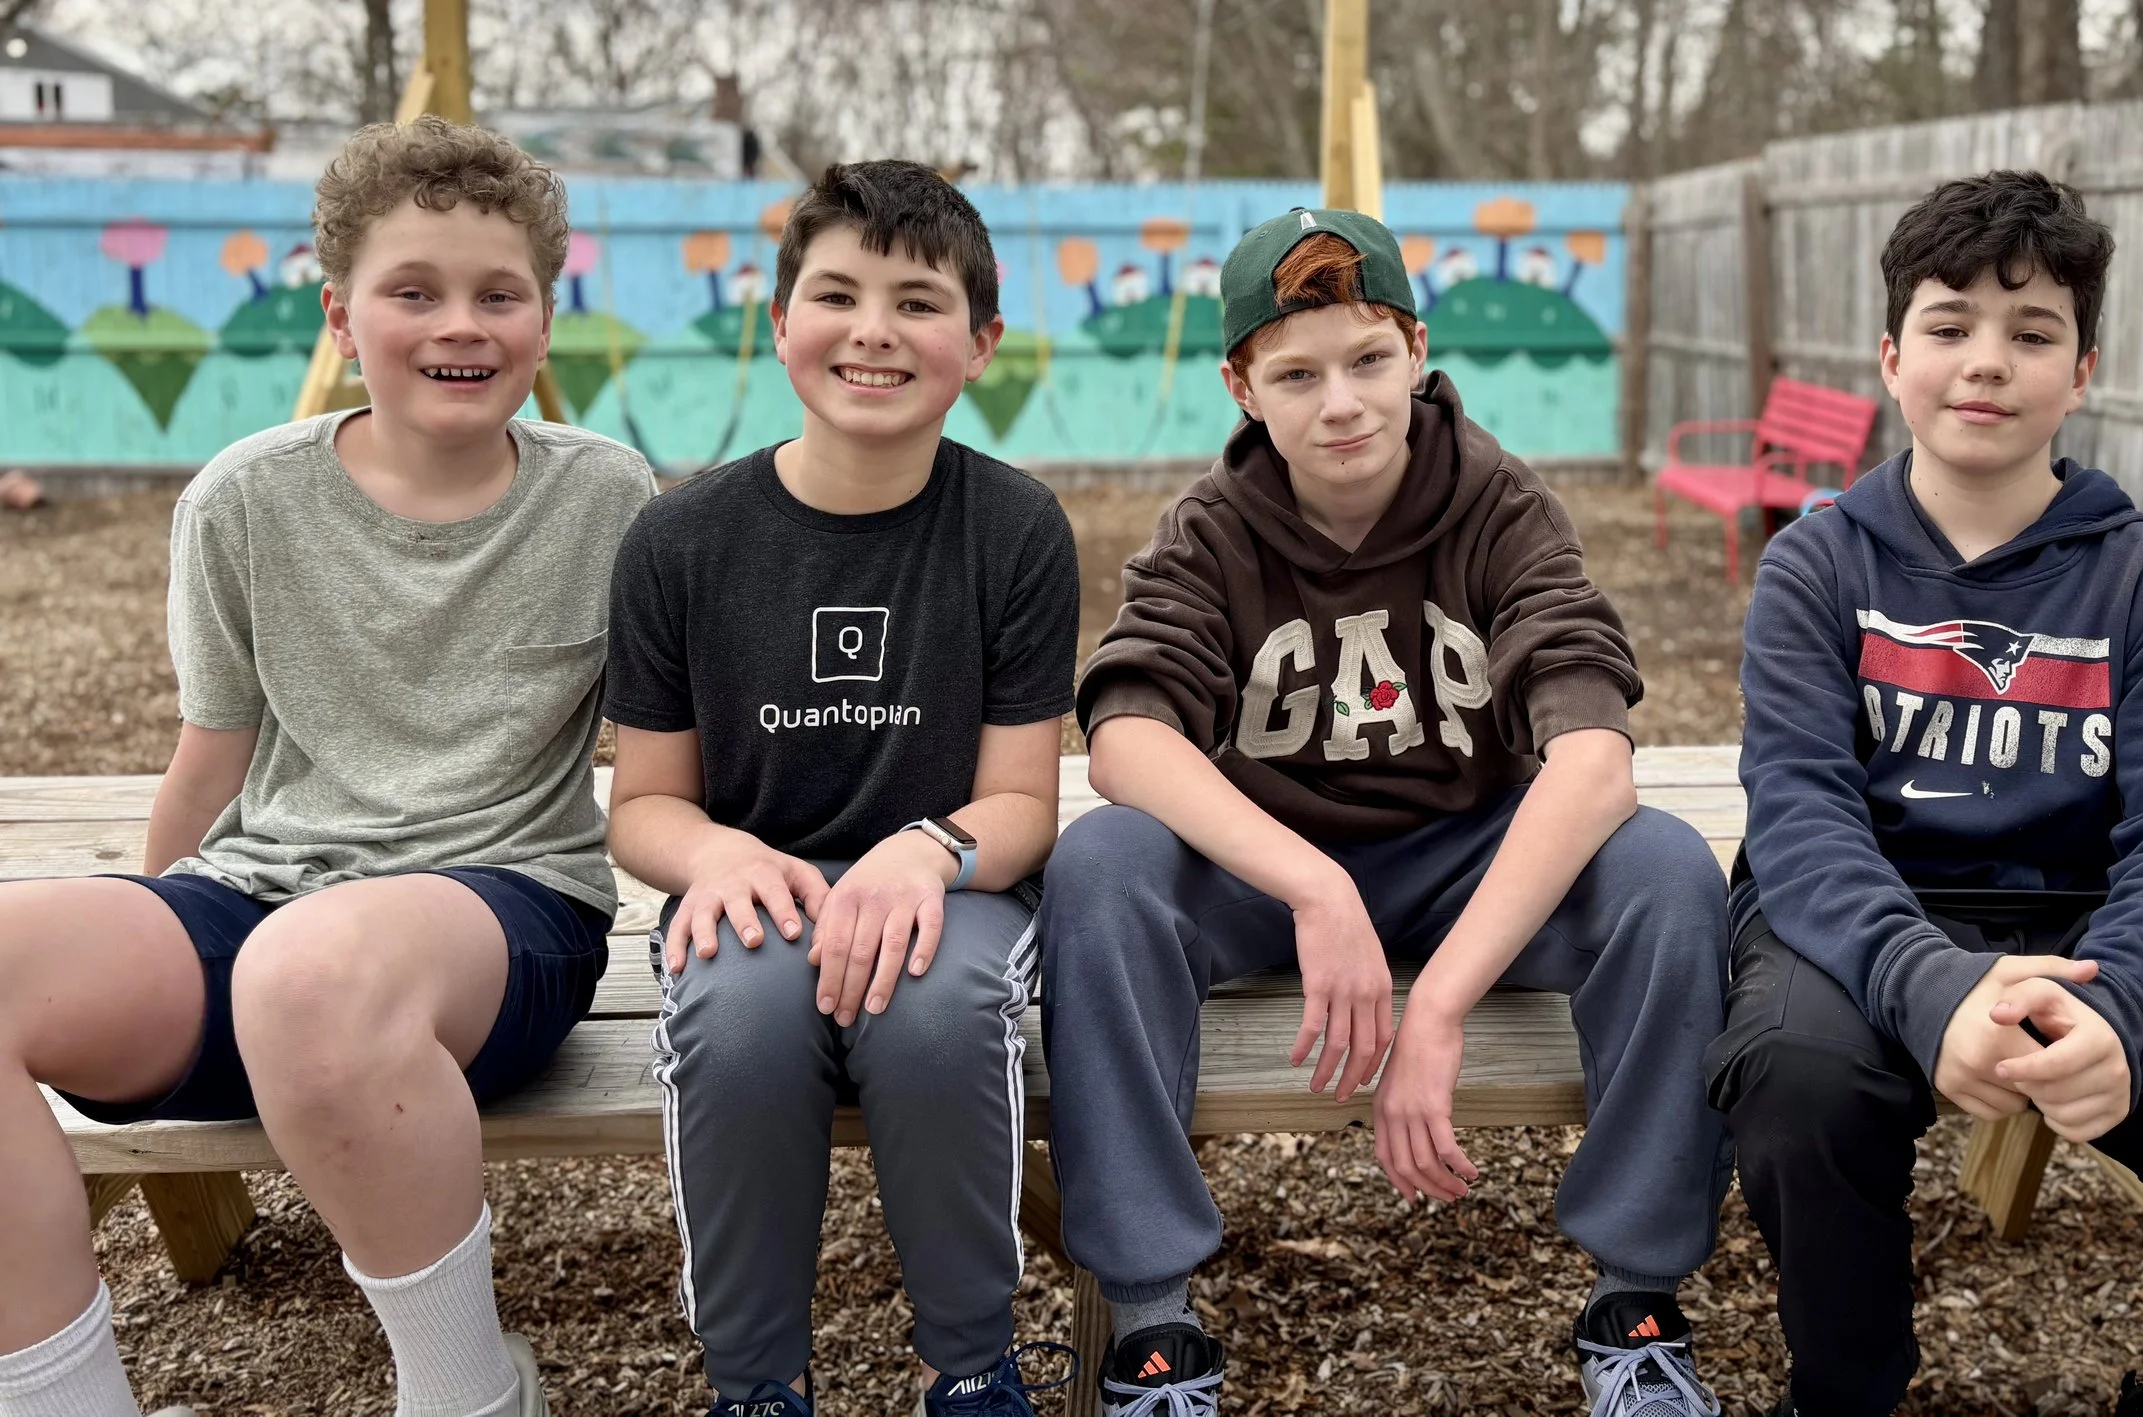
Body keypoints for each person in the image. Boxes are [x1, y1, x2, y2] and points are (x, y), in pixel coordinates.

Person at [0, 115, 652, 1417]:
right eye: (413, 290)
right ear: (340, 312)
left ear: (544, 313)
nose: (459, 324)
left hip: (504, 913)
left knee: (313, 970)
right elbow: (211, 756)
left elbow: (671, 758)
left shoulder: (612, 499)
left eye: (497, 293)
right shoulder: (243, 500)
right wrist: (158, 937)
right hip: (266, 895)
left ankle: (470, 1393)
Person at [1711, 170, 2143, 1417]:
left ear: (2080, 372)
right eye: (1949, 326)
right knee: (1796, 1074)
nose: (1986, 363)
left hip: (2092, 925)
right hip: (1875, 920)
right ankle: (1846, 1389)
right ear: (1889, 357)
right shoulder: (1817, 564)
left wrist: (2131, 1007)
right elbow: (1801, 821)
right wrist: (1928, 984)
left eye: (2031, 335)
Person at [1039, 208, 1733, 1417]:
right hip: (1275, 866)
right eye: (1296, 374)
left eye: (1367, 360)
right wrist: (1314, 883)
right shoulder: (1212, 531)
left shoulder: (1500, 507)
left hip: (1471, 851)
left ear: (1417, 350)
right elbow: (1126, 736)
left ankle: (1637, 1301)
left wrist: (1442, 1003)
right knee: (1102, 867)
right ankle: (1152, 1327)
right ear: (1242, 387)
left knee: (1669, 870)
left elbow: (1595, 761)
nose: (1341, 402)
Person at [601, 160, 1080, 1417]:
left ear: (979, 344)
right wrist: (711, 856)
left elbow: (1023, 801)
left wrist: (926, 851)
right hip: (756, 885)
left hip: (951, 883)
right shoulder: (679, 541)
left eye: (917, 302)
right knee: (744, 1023)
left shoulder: (1016, 529)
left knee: (934, 1016)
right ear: (778, 325)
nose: (874, 330)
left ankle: (969, 1364)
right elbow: (645, 804)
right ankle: (757, 1381)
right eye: (836, 293)